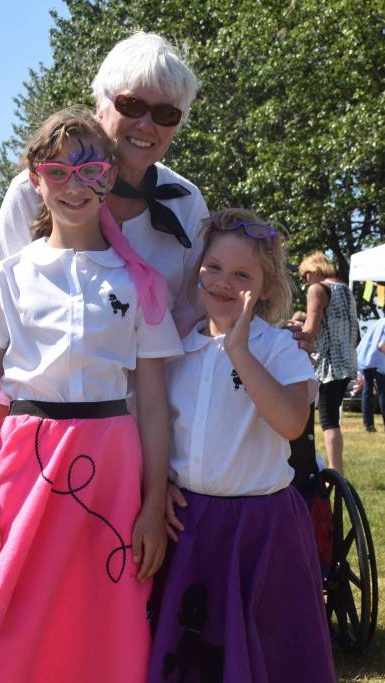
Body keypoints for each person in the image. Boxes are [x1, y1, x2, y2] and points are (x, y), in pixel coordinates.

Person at [0, 108, 182, 682]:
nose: (75, 185)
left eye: (90, 169)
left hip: (112, 468)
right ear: (36, 180)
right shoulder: (10, 276)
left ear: (110, 176)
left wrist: (150, 500)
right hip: (24, 460)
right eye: (58, 171)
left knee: (93, 609)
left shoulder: (140, 282)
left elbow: (152, 399)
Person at [152, 209, 334, 682]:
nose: (223, 283)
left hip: (261, 528)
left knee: (267, 650)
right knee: (196, 653)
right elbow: (157, 428)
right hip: (190, 524)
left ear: (267, 287)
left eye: (241, 275)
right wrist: (158, 484)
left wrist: (239, 351)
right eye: (213, 268)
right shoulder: (176, 350)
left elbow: (292, 423)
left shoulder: (278, 349)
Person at [0, 31, 208, 335]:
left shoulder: (187, 203)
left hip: (155, 380)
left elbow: (195, 318)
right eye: (131, 105)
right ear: (99, 105)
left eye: (165, 113)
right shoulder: (33, 192)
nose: (146, 125)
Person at [300, 251, 360, 473]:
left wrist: (295, 331)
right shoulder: (345, 290)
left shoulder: (317, 289)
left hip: (327, 364)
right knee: (331, 417)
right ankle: (337, 469)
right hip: (346, 362)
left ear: (315, 270)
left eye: (305, 275)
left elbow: (311, 330)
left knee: (327, 421)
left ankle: (335, 470)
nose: (305, 281)